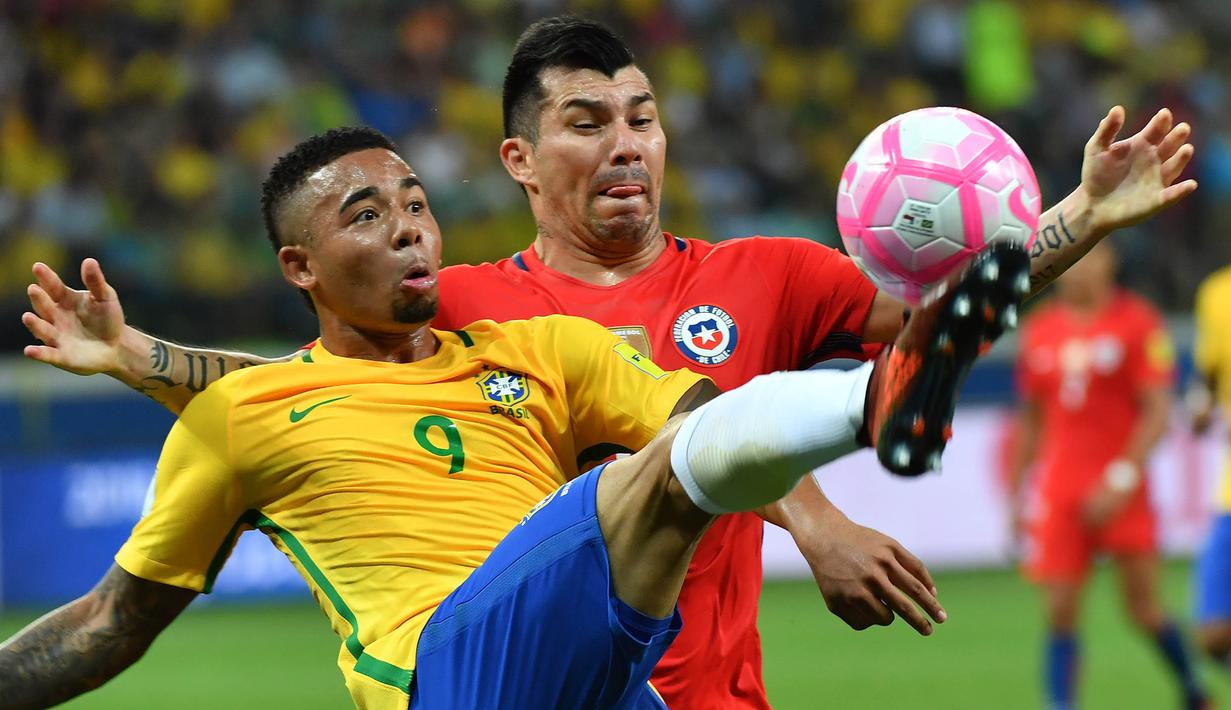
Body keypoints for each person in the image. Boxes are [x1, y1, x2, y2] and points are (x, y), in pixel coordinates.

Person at [18, 17, 1198, 710]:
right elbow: (291, 387)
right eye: (590, 121)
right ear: (523, 159)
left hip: (696, 693)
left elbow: (947, 317)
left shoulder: (768, 278)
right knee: (670, 464)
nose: (627, 142)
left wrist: (1075, 222)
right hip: (515, 662)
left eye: (641, 115)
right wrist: (140, 356)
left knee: (689, 445)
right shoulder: (472, 309)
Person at [1008, 241, 1207, 710]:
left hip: (1123, 490)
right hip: (1061, 492)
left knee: (1143, 609)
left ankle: (1194, 691)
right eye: (1071, 263)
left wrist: (1121, 477)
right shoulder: (1040, 331)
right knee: (1058, 611)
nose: (1079, 272)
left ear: (1109, 262)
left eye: (1089, 259)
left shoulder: (1137, 322)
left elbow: (1158, 411)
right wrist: (1016, 497)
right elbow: (1032, 421)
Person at [1188, 264, 1231, 668]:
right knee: (1214, 634)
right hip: (1229, 493)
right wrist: (1201, 405)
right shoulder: (1217, 293)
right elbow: (1208, 374)